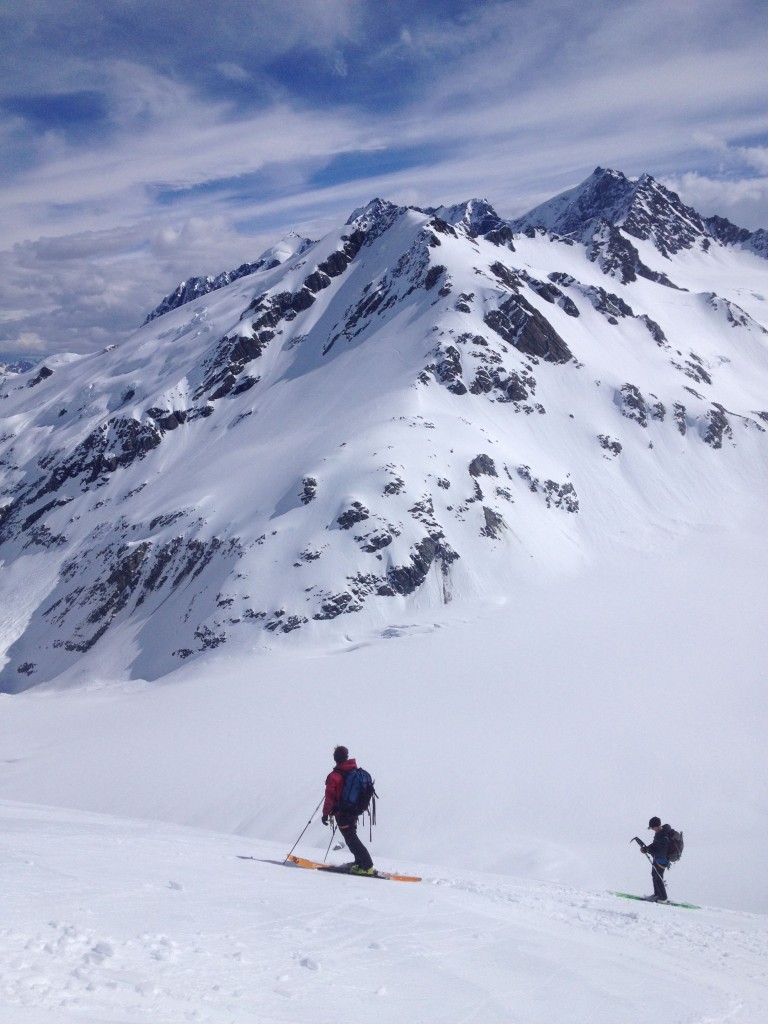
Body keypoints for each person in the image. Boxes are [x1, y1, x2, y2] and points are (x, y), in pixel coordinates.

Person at [322, 745, 374, 875]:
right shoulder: (354, 771)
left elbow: (329, 797)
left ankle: (367, 866)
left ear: (335, 758)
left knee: (351, 838)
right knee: (351, 836)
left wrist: (325, 814)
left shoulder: (334, 776)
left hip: (342, 812)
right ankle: (359, 862)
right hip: (354, 811)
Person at [641, 816, 671, 902]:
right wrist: (646, 848)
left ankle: (663, 898)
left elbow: (661, 852)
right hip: (657, 859)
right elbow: (655, 845)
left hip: (662, 860)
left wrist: (648, 850)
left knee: (658, 878)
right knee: (654, 875)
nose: (652, 829)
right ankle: (657, 894)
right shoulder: (659, 833)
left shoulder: (664, 836)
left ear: (657, 826)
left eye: (652, 827)